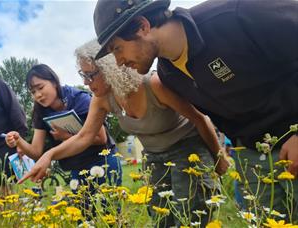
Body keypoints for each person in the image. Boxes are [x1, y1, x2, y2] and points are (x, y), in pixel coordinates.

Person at [92, 0, 298, 219]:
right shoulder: (169, 76)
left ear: (142, 26)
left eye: (117, 48)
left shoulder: (238, 14)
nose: (119, 62)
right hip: (252, 157)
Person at [19, 40, 230, 227]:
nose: (85, 82)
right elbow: (84, 137)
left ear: (110, 68)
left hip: (188, 148)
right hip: (154, 156)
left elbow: (199, 119)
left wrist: (219, 158)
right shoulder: (101, 99)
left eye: (90, 75)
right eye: (83, 75)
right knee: (161, 217)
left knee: (192, 215)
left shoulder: (153, 84)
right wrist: (49, 155)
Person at [5, 64, 122, 187]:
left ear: (54, 82)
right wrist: (19, 141)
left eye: (40, 87)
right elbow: (36, 152)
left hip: (103, 160)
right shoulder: (40, 112)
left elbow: (101, 138)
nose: (38, 95)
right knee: (82, 206)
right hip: (77, 167)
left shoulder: (80, 99)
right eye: (33, 92)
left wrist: (66, 136)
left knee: (109, 204)